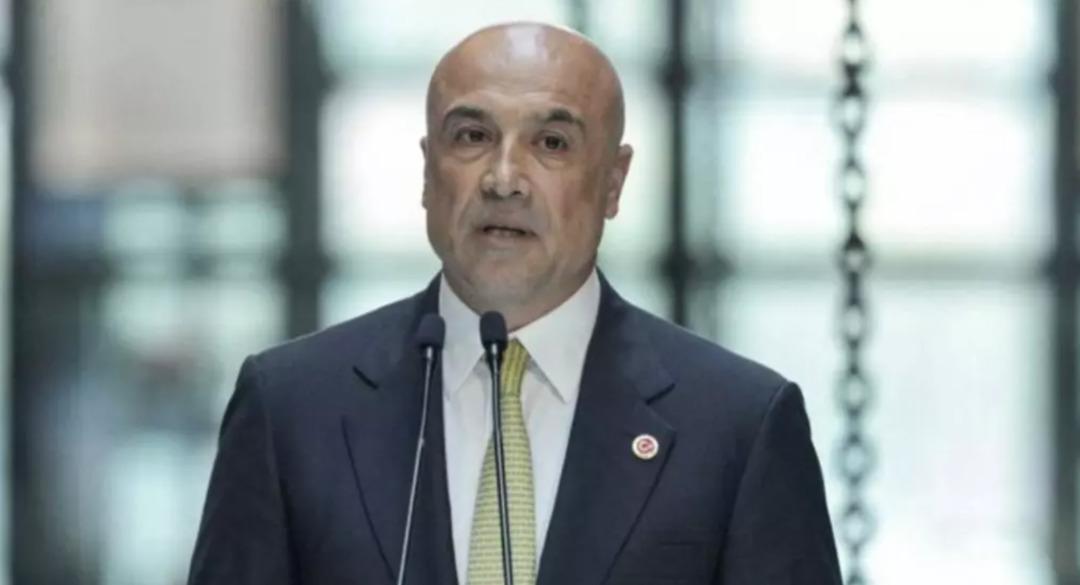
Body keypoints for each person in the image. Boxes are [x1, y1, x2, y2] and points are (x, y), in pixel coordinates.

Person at [188, 22, 842, 585]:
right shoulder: (290, 407)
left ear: (613, 183)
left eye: (552, 143)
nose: (504, 179)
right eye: (472, 136)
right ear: (427, 171)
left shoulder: (737, 425)